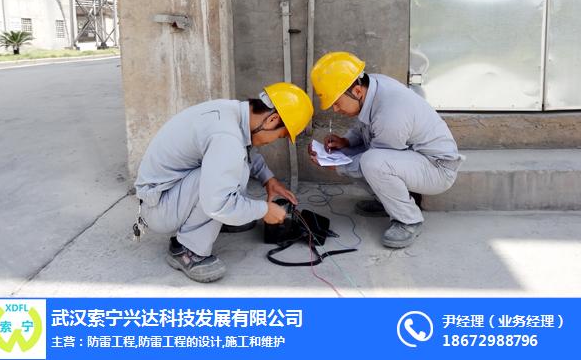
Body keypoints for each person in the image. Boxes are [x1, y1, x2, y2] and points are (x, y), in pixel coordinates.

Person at [135, 83, 314, 283]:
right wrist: (264, 210)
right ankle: (186, 249)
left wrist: (268, 179)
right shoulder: (227, 137)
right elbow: (217, 201)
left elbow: (246, 150)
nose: (272, 141)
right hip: (159, 208)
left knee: (234, 168)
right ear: (272, 119)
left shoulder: (233, 113)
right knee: (229, 179)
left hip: (166, 195)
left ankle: (214, 220)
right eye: (279, 136)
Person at [308, 51, 463, 248]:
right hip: (414, 159)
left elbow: (375, 162)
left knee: (370, 163)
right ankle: (388, 203)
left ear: (356, 91)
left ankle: (408, 220)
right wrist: (345, 142)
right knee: (354, 158)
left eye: (337, 102)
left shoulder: (391, 112)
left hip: (437, 169)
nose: (335, 109)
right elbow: (364, 127)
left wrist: (335, 166)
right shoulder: (373, 86)